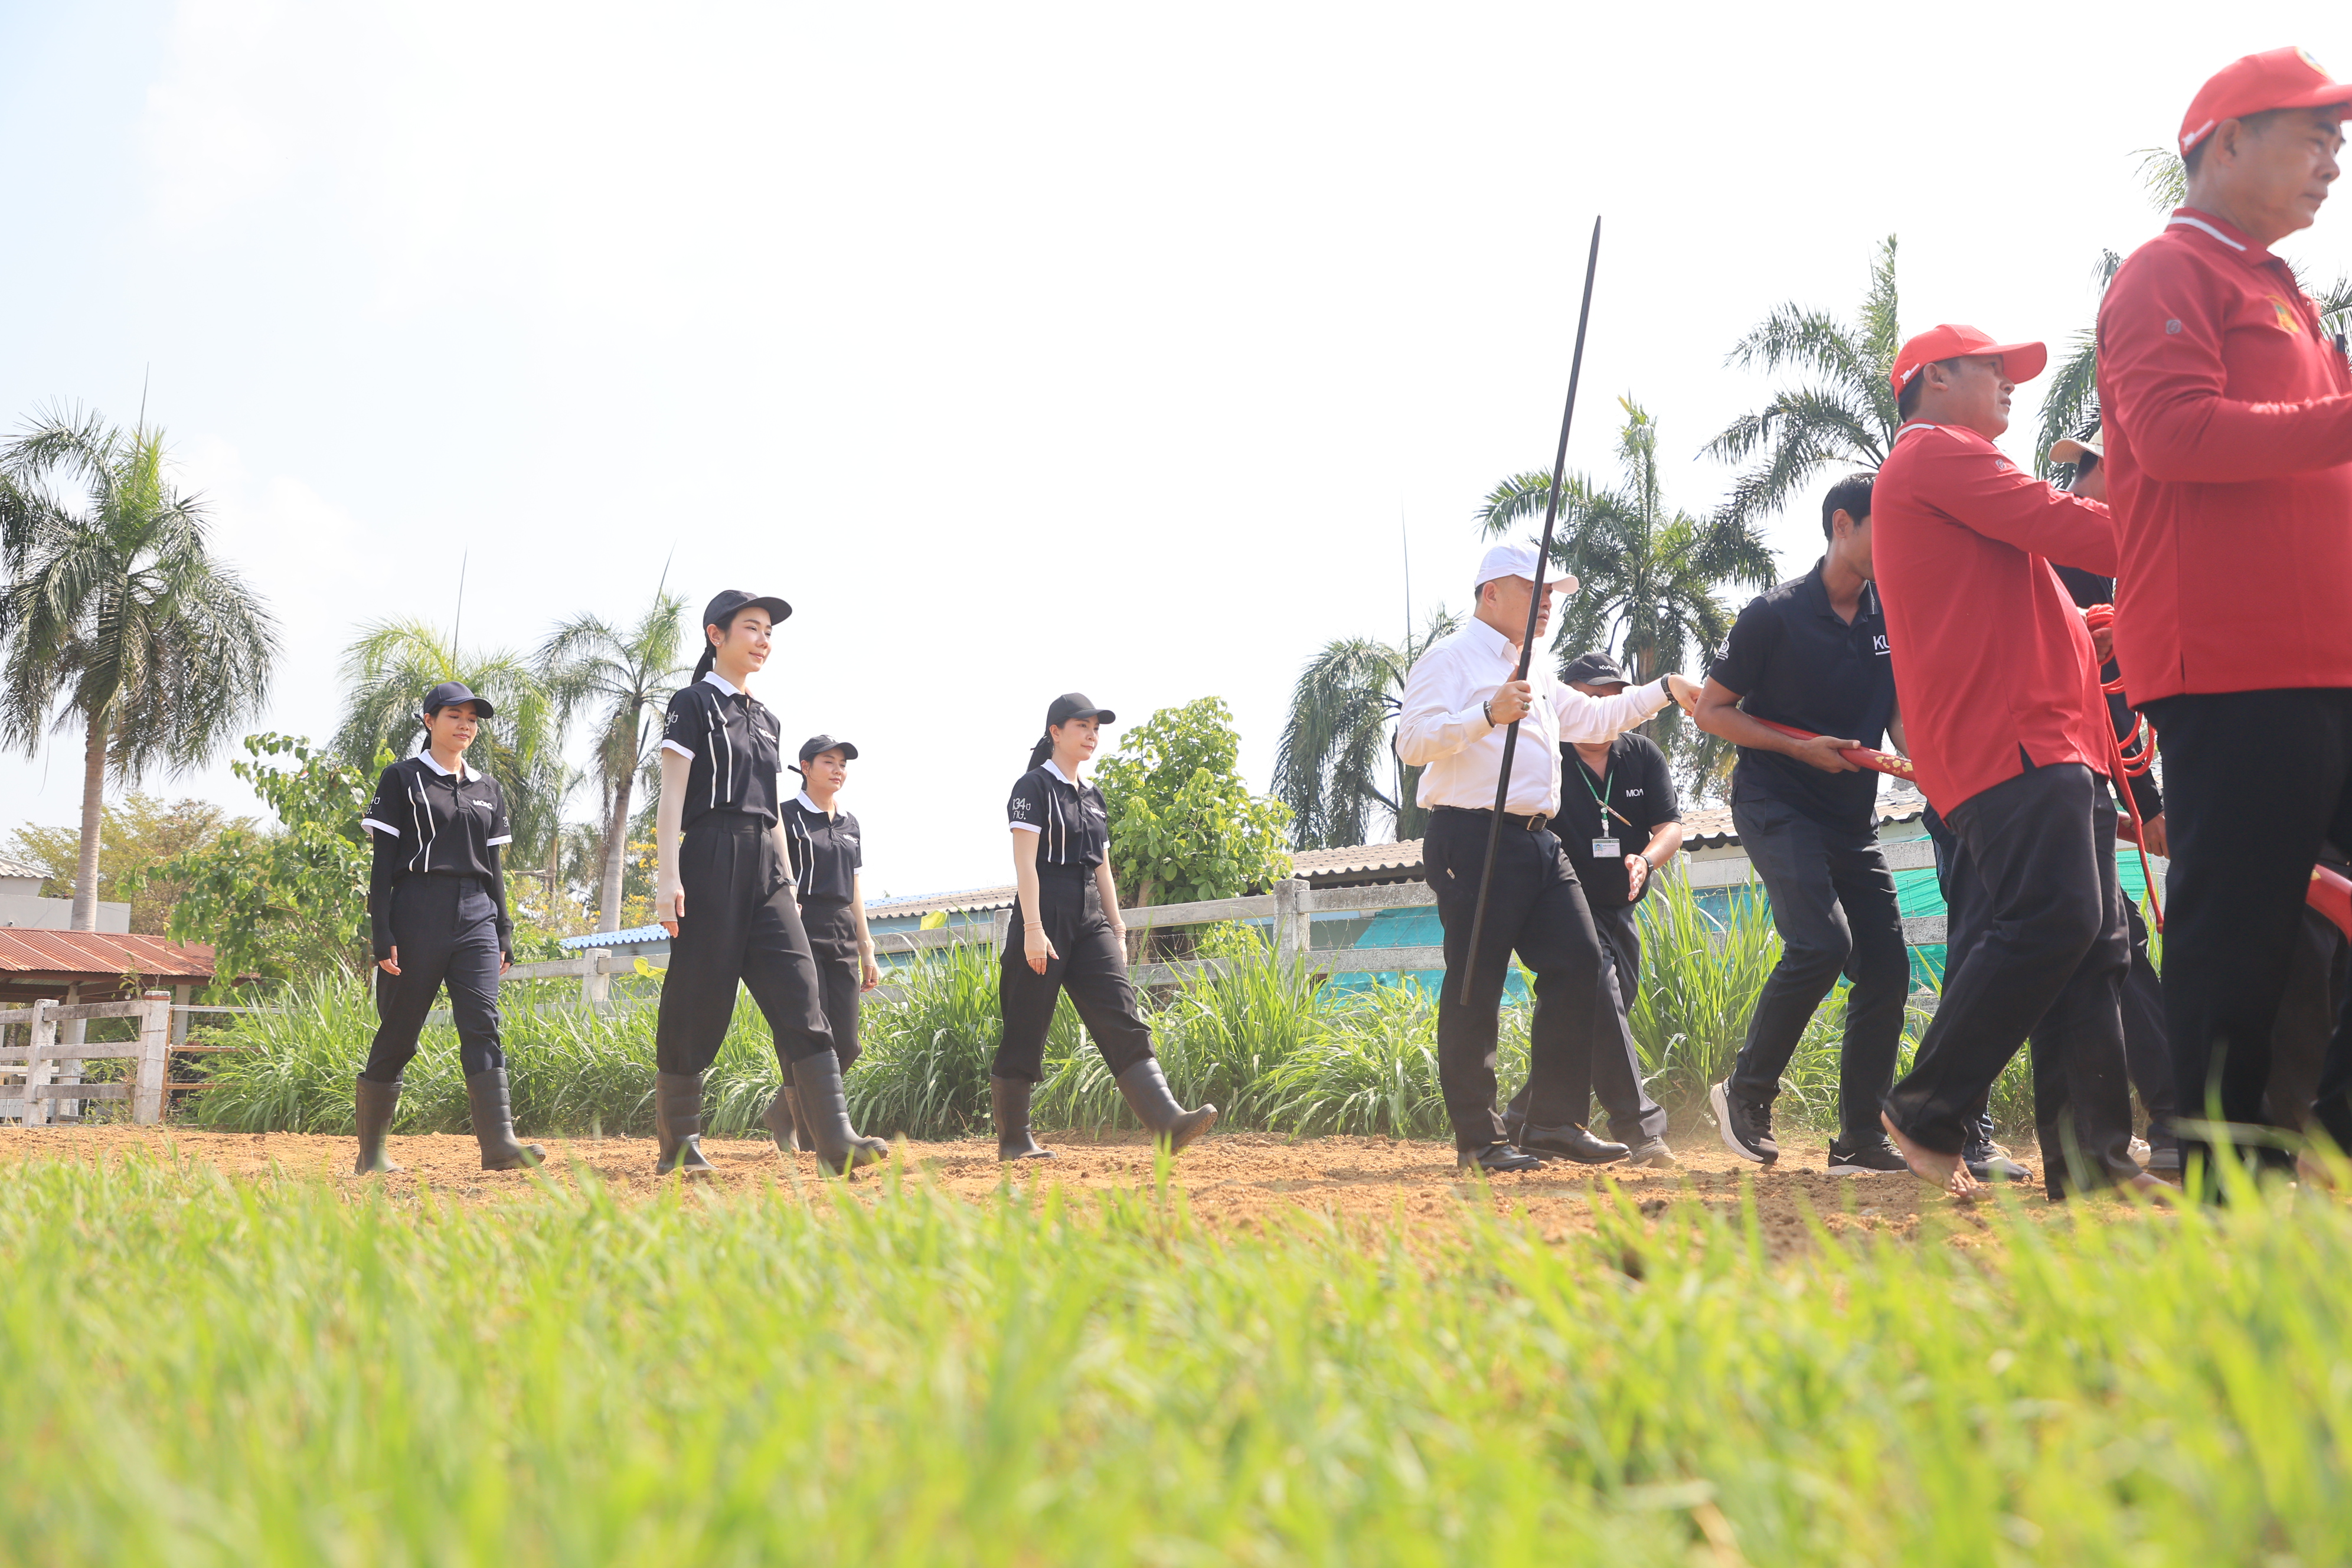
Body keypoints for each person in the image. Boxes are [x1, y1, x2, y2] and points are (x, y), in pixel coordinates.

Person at [2095, 46, 2352, 1182]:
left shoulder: (2280, 292)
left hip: (2326, 653)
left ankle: (2325, 1152)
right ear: (2225, 138)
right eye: (2313, 135)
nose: (2331, 162)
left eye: (2337, 143)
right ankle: (2210, 1171)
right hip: (2234, 662)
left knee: (2288, 926)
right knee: (2237, 924)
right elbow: (2173, 436)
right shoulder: (2165, 274)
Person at [1870, 323, 2157, 1201]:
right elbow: (2068, 524)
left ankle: (2095, 1167)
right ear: (1934, 378)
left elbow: (2038, 577)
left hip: (2045, 742)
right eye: (1993, 371)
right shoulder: (1935, 453)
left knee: (2094, 944)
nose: (2009, 386)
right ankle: (1925, 1111)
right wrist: (2184, 532)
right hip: (2015, 741)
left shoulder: (1946, 478)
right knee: (2059, 920)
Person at [1395, 543, 1701, 1172]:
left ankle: (1554, 1122)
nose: (1547, 606)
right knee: (1474, 985)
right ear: (1490, 595)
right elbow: (1413, 743)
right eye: (1535, 592)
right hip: (1470, 838)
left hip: (1538, 839)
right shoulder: (1450, 659)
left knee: (1586, 967)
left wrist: (1666, 688)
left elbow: (1597, 713)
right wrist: (1487, 713)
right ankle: (1480, 1140)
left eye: (1553, 596)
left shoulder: (1537, 666)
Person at [1696, 472, 1912, 1175]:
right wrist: (1798, 748)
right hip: (1775, 801)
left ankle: (1858, 1139)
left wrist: (1933, 765)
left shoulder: (1894, 614)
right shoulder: (1774, 614)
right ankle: (1745, 1091)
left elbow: (1901, 715)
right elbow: (1712, 710)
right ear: (1843, 525)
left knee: (1886, 966)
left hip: (1851, 817)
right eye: (1888, 525)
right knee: (1821, 942)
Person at [651, 590, 887, 1178]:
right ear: (716, 636)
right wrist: (667, 877)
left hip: (768, 867)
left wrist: (787, 880)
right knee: (697, 999)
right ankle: (678, 1144)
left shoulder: (769, 718)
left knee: (803, 995)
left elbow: (775, 813)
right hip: (710, 856)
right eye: (751, 629)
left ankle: (836, 1141)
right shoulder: (692, 703)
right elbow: (673, 794)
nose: (763, 640)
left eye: (768, 632)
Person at [992, 694, 1218, 1160]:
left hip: (1090, 916)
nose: (1092, 735)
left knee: (1121, 1012)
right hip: (1045, 911)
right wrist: (1033, 927)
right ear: (1056, 732)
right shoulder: (1031, 787)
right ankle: (1015, 1139)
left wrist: (1116, 927)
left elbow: (1103, 869)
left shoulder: (1094, 798)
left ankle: (1167, 1123)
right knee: (1025, 1023)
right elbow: (1026, 865)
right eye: (1082, 726)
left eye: (1097, 727)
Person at [2044, 426, 2179, 1173]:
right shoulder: (2080, 550)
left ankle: (2119, 1138)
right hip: (2045, 773)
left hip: (2054, 774)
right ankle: (1935, 1113)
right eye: (2090, 471)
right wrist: (2150, 802)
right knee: (2098, 940)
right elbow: (2104, 692)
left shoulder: (2101, 555)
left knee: (2094, 942)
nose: (2088, 485)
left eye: (2097, 469)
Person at [354, 681, 543, 1175]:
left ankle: (500, 1144)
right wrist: (382, 931)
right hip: (417, 911)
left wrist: (504, 929)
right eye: (454, 715)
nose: (464, 725)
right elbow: (382, 866)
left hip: (477, 914)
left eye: (472, 719)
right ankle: (371, 1153)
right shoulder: (403, 779)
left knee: (483, 1024)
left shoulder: (487, 789)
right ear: (428, 721)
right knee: (400, 1031)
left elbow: (495, 866)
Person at [1500, 651, 1680, 1167]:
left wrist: (1646, 860)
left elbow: (1670, 826)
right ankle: (1641, 1129)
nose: (1604, 709)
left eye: (1613, 698)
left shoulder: (1642, 754)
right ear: (1568, 701)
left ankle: (1523, 1121)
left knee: (1595, 1011)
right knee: (1598, 990)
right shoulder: (1545, 754)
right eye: (1592, 698)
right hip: (1563, 905)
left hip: (1618, 909)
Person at [757, 734, 881, 1154]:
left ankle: (784, 1112)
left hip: (843, 929)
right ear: (805, 767)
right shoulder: (785, 817)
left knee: (847, 1043)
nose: (838, 769)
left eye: (843, 763)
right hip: (799, 927)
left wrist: (867, 946)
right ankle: (819, 1133)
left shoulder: (851, 824)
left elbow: (856, 886)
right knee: (809, 1032)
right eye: (829, 761)